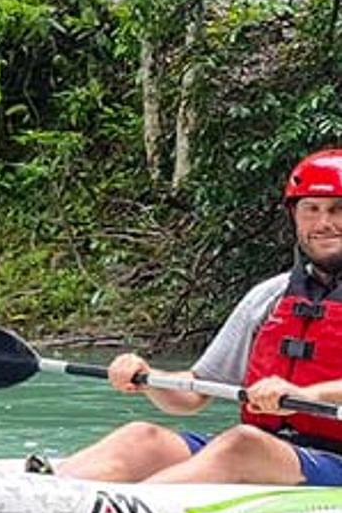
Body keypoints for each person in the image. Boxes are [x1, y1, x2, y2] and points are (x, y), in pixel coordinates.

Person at [55, 148, 342, 485]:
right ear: (295, 216)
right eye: (311, 209)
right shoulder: (270, 297)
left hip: (327, 459)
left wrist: (310, 395)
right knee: (140, 438)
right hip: (271, 451)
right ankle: (42, 491)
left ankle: (122, 512)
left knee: (242, 444)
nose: (323, 223)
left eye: (338, 209)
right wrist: (148, 377)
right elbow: (192, 396)